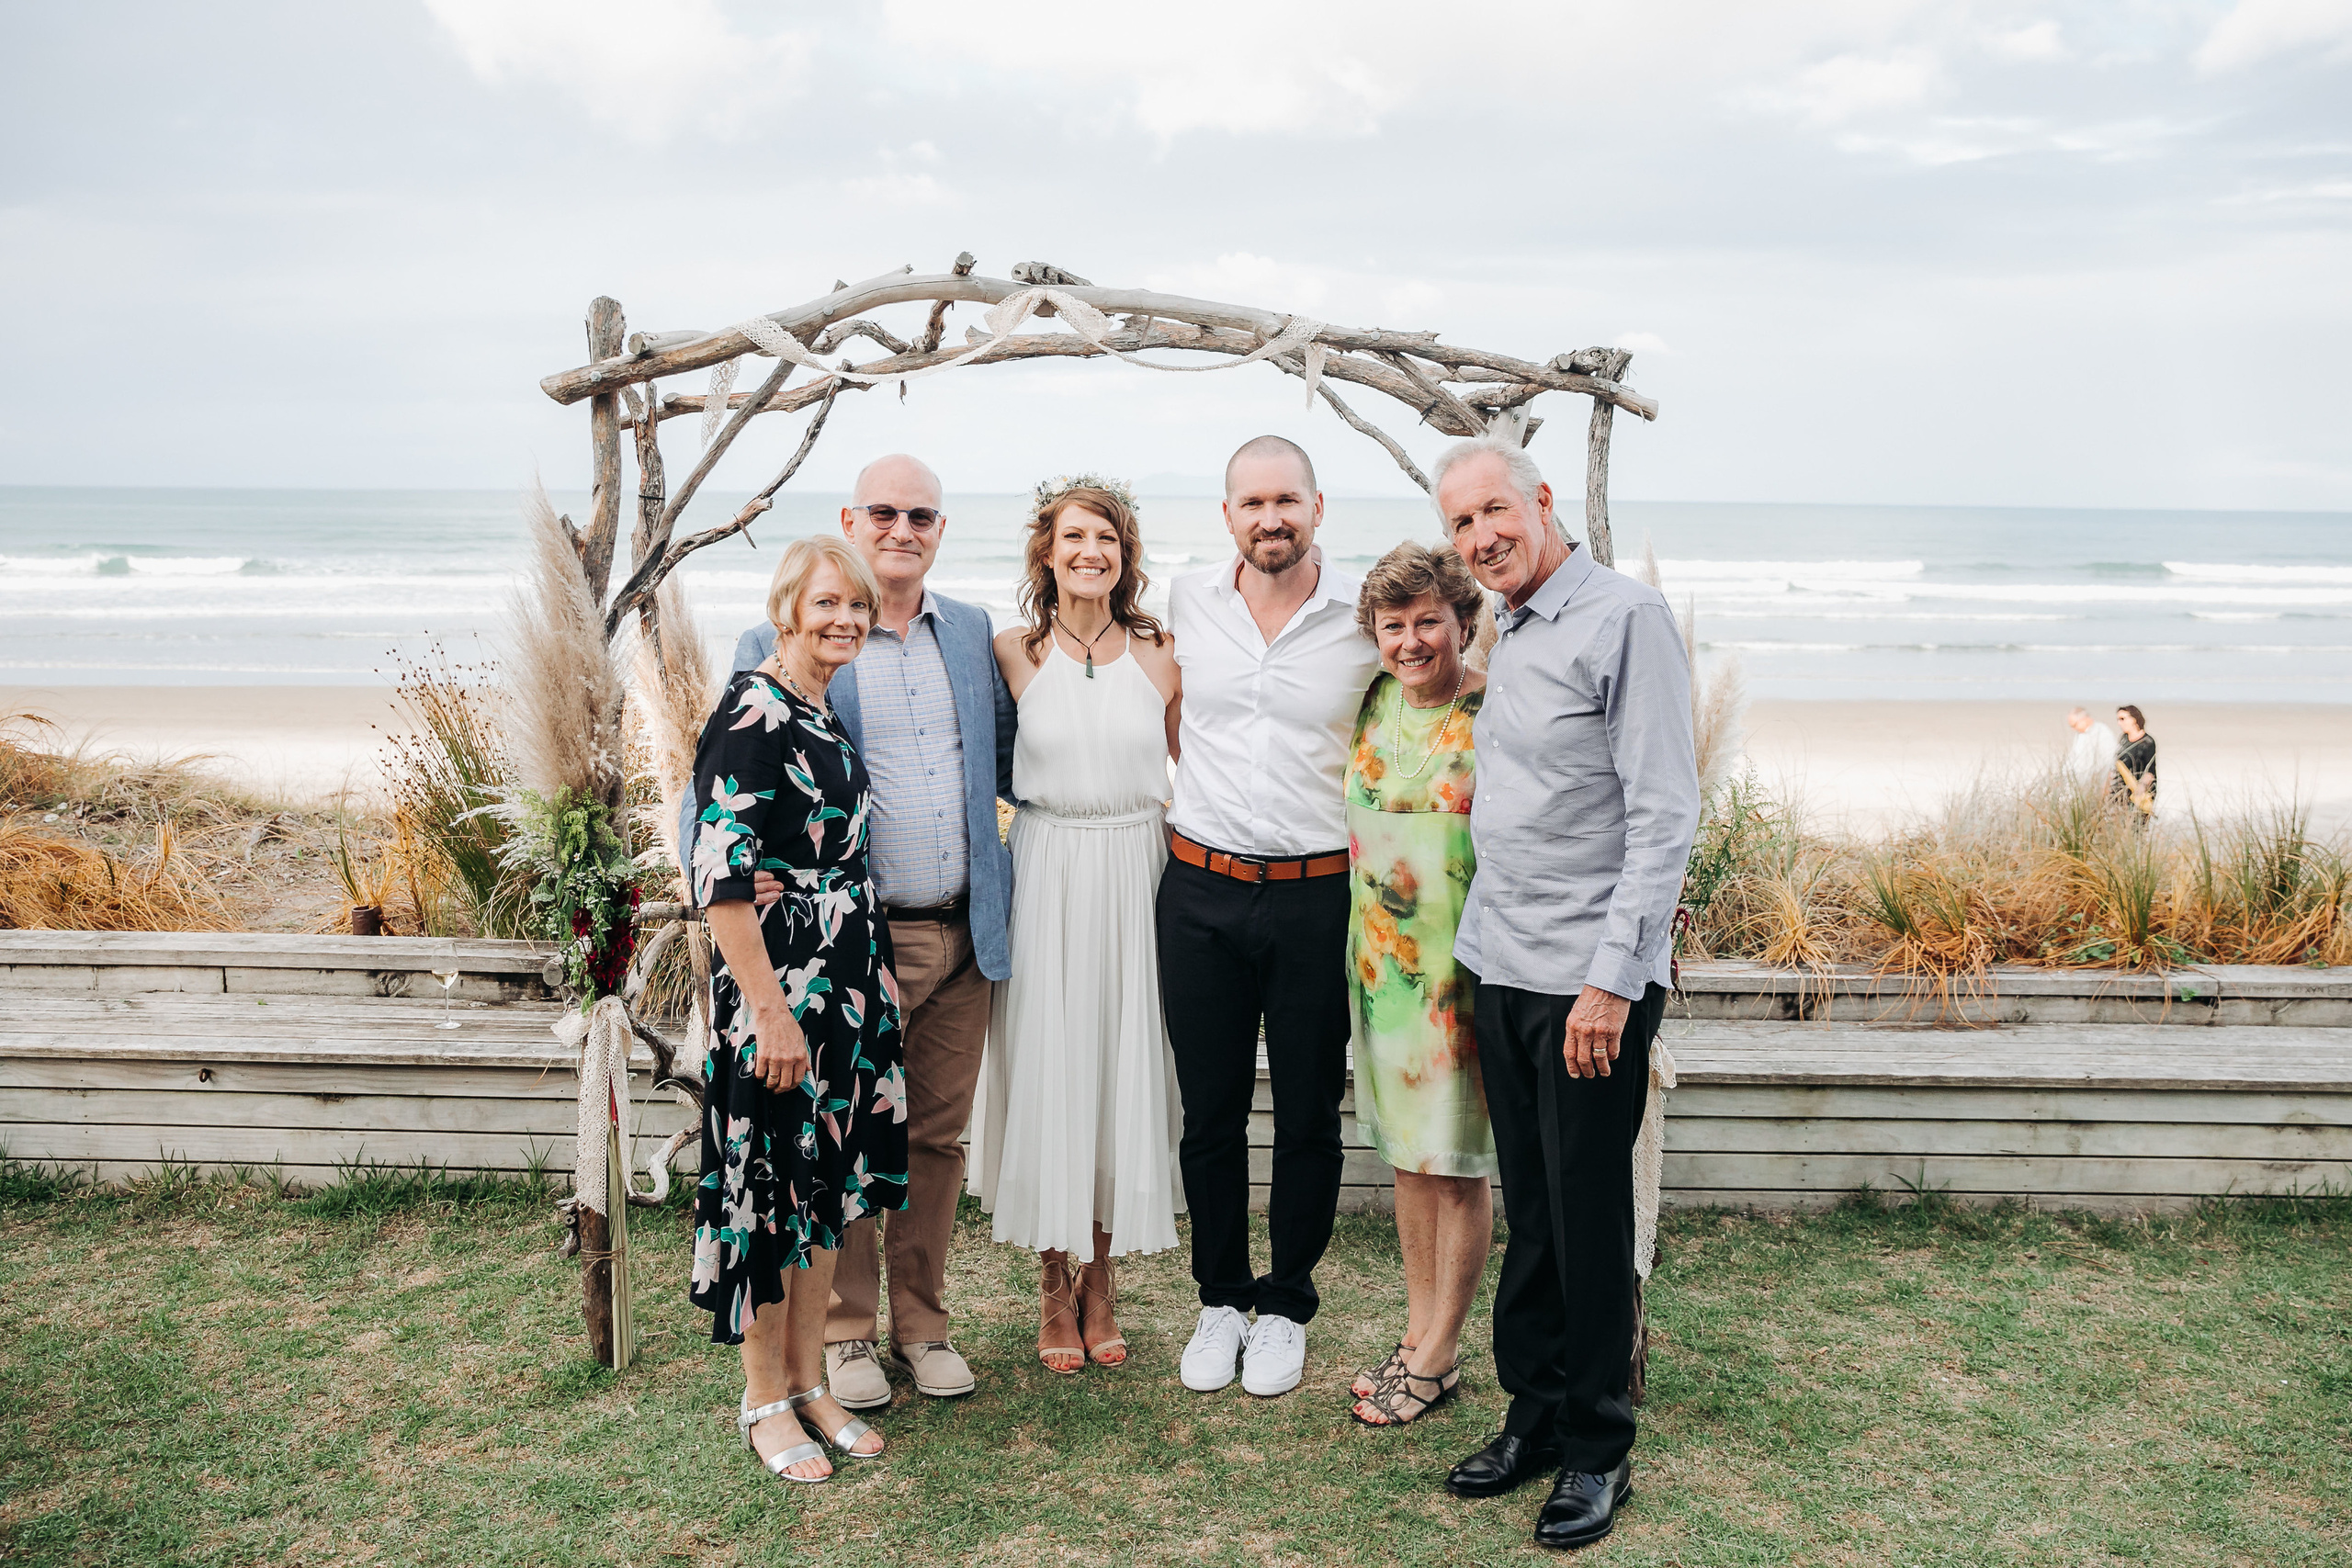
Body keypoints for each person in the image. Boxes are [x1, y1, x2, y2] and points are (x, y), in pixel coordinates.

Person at [681, 453, 1016, 1411]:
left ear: (940, 529)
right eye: (883, 512)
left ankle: (923, 1325)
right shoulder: (773, 653)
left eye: (922, 512)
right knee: (825, 1153)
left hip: (952, 937)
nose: (902, 528)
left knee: (924, 1141)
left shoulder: (971, 633)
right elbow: (711, 818)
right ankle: (845, 1339)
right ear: (848, 521)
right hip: (834, 956)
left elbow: (998, 759)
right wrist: (756, 916)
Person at [1431, 433, 1698, 1552]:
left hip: (1587, 985)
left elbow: (1662, 813)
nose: (1481, 536)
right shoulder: (1512, 621)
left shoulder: (1623, 619)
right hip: (1503, 962)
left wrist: (1609, 983)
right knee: (1533, 1214)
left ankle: (1597, 1448)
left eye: (1495, 511)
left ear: (1543, 501)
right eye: (1459, 524)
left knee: (1586, 1221)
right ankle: (1534, 1414)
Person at [1159, 434, 1383, 1399]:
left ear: (1317, 507)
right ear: (1227, 517)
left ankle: (1286, 1304)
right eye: (1250, 503)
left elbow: (1455, 670)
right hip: (1199, 888)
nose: (1269, 518)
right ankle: (1218, 1298)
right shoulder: (1185, 600)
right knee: (1206, 1110)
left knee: (1305, 1113)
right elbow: (1167, 719)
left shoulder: (1367, 613)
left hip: (1316, 895)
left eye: (1285, 500)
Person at [687, 535, 906, 1484]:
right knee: (772, 1198)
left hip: (845, 993)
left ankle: (813, 1384)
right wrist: (771, 1016)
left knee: (824, 1199)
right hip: (782, 999)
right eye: (827, 604)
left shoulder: (818, 706)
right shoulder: (754, 708)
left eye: (857, 606)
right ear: (787, 608)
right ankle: (763, 1400)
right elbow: (720, 879)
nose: (845, 620)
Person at [971, 475, 1185, 1374]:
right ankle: (1054, 1288)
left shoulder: (1163, 650)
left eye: (1106, 537)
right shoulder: (1010, 651)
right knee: (1052, 1071)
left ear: (1125, 554)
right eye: (1072, 537)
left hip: (1140, 871)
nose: (1090, 551)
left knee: (1117, 1073)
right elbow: (979, 773)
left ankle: (1106, 1285)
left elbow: (1194, 769)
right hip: (1049, 867)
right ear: (1046, 552)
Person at [1340, 541, 1496, 1428]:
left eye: (1428, 621)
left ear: (1462, 624)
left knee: (1455, 1167)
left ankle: (1440, 1354)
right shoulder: (1372, 701)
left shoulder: (1492, 710)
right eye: (1393, 625)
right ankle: (1414, 1331)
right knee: (1406, 1157)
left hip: (1460, 976)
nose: (1410, 640)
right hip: (1379, 972)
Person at [2112, 704, 2157, 818]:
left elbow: (2150, 771)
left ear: (2134, 719)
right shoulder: (2123, 738)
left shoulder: (2147, 742)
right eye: (2118, 719)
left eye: (2123, 719)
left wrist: (2140, 790)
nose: (2119, 723)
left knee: (2135, 828)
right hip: (2120, 790)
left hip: (2138, 792)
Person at [2065, 706, 2119, 785]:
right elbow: (2073, 757)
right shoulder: (2080, 734)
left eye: (2074, 725)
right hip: (2077, 783)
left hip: (2094, 784)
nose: (2073, 729)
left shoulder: (2103, 733)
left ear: (2084, 719)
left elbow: (2110, 761)